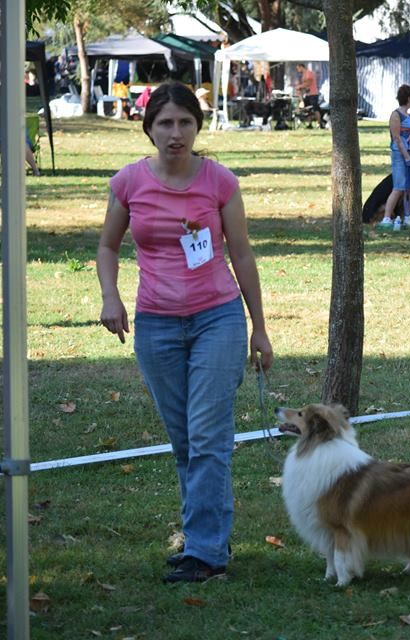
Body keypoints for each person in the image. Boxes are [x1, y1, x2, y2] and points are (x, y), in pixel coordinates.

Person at [96, 82, 273, 582]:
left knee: (209, 437)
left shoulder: (219, 182)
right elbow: (107, 246)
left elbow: (241, 254)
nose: (176, 134)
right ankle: (205, 538)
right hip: (156, 325)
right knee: (184, 441)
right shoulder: (128, 183)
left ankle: (205, 551)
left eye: (185, 123)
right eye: (165, 124)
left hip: (217, 318)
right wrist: (111, 296)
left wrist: (259, 328)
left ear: (198, 126)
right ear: (148, 128)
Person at [378, 84, 410, 232]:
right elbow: (396, 137)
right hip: (400, 156)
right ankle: (387, 217)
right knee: (399, 187)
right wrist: (406, 155)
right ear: (409, 98)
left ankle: (408, 215)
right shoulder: (396, 115)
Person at [295, 63, 321, 127]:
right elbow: (305, 86)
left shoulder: (308, 73)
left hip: (313, 94)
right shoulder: (303, 75)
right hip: (307, 94)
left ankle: (319, 123)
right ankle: (309, 124)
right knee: (307, 109)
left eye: (298, 68)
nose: (298, 70)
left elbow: (308, 83)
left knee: (315, 109)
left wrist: (300, 86)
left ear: (301, 67)